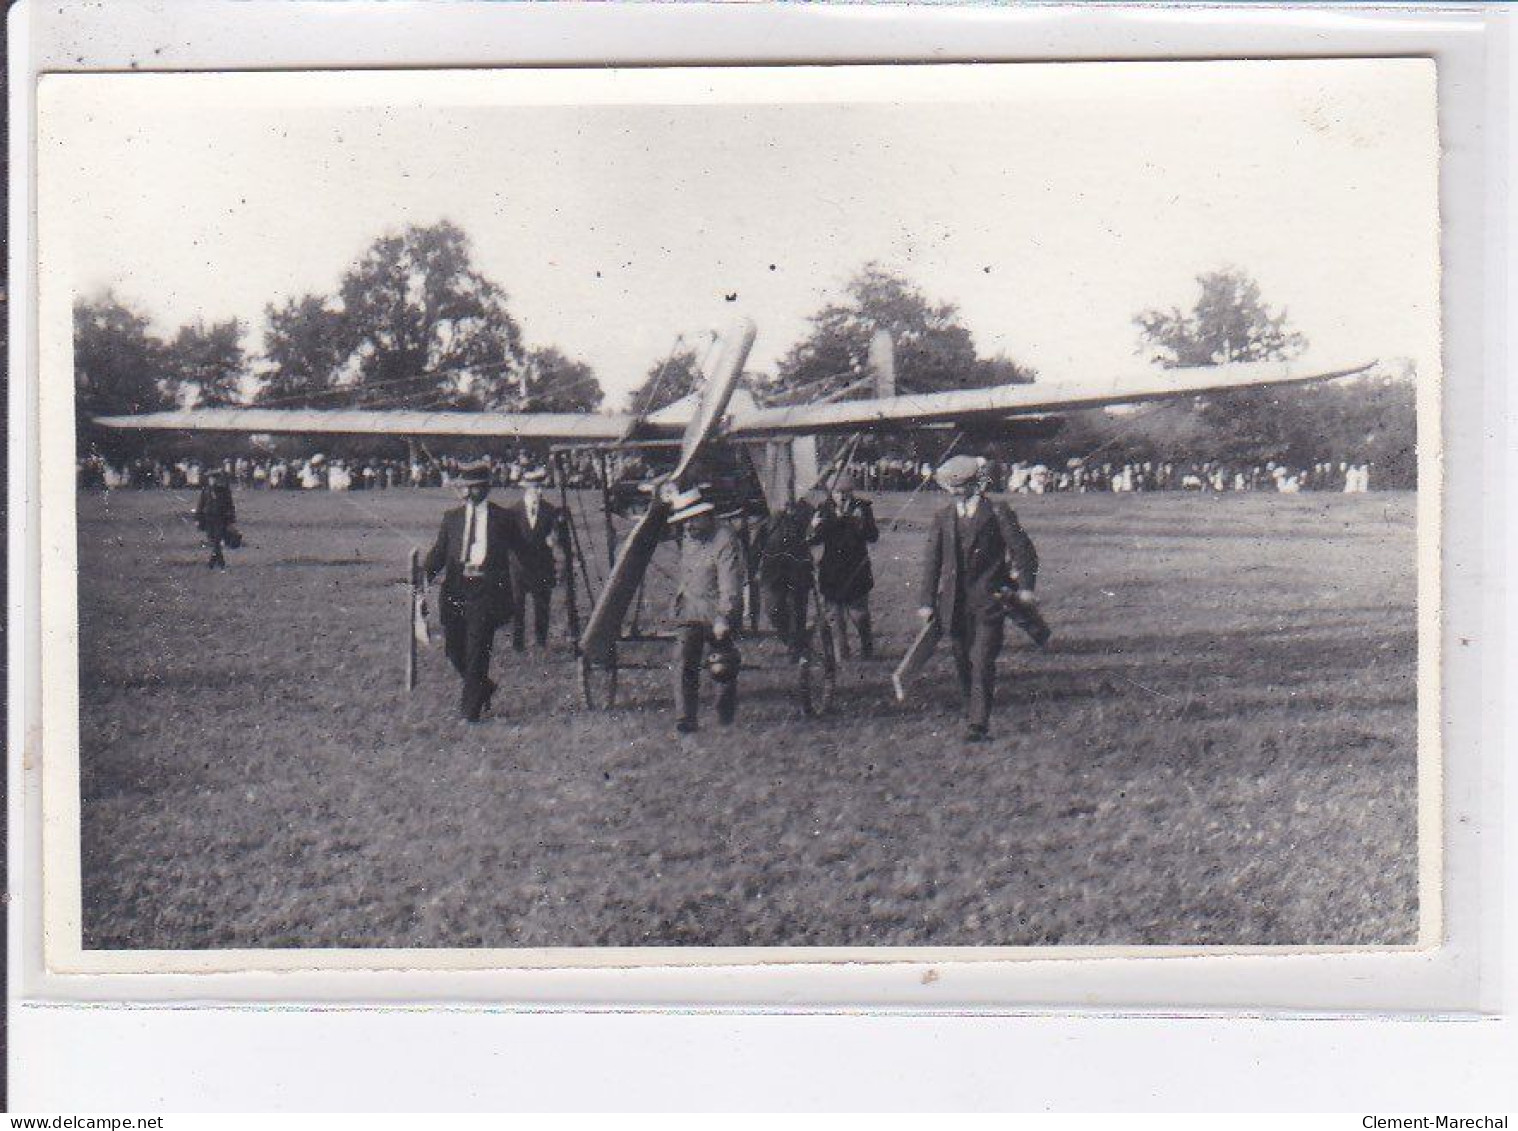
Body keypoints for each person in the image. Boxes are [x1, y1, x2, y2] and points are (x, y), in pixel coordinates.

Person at [917, 454, 1040, 742]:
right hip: (953, 604)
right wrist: (926, 601)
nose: (953, 493)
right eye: (950, 488)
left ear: (974, 484)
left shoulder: (997, 512)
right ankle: (972, 707)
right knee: (962, 660)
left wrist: (1025, 587)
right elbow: (932, 562)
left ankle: (978, 724)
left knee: (982, 660)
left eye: (957, 487)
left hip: (990, 601)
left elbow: (1025, 552)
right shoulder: (943, 518)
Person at [423, 459, 523, 722]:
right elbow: (439, 554)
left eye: (476, 487)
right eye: (466, 487)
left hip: (487, 592)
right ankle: (482, 686)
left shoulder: (503, 518)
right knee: (454, 650)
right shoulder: (452, 519)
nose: (470, 492)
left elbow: (523, 551)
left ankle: (470, 713)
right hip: (456, 590)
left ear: (487, 487)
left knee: (478, 649)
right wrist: (422, 575)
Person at [669, 486, 746, 734]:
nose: (687, 527)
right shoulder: (689, 535)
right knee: (682, 658)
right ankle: (685, 719)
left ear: (706, 515)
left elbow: (730, 582)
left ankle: (725, 715)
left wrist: (724, 616)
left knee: (721, 664)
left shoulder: (725, 539)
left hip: (718, 610)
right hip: (690, 609)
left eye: (692, 520)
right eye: (683, 522)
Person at [808, 471, 879, 660]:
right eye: (837, 493)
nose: (841, 497)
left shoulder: (863, 508)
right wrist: (814, 527)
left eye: (845, 493)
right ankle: (842, 654)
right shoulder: (824, 508)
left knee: (859, 614)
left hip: (856, 569)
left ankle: (866, 647)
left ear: (852, 492)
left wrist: (860, 524)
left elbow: (873, 536)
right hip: (832, 571)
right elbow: (813, 540)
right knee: (835, 616)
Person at [506, 466, 570, 651]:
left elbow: (556, 536)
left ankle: (541, 642)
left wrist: (554, 539)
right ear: (527, 489)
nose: (539, 491)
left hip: (542, 565)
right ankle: (518, 644)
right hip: (518, 566)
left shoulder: (550, 511)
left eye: (541, 487)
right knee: (518, 606)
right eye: (535, 487)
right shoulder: (513, 512)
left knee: (542, 605)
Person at [755, 495, 816, 658]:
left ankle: (796, 646)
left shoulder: (806, 511)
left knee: (798, 610)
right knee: (773, 609)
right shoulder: (770, 515)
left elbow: (812, 532)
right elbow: (758, 542)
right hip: (772, 570)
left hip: (798, 569)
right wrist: (754, 567)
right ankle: (791, 639)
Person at [193, 468, 237, 570]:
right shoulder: (206, 490)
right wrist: (197, 518)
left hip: (220, 518)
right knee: (213, 540)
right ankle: (216, 561)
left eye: (214, 478)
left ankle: (216, 563)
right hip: (208, 518)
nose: (212, 480)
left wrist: (231, 520)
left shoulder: (224, 491)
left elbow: (230, 505)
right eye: (211, 479)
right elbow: (200, 505)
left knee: (217, 540)